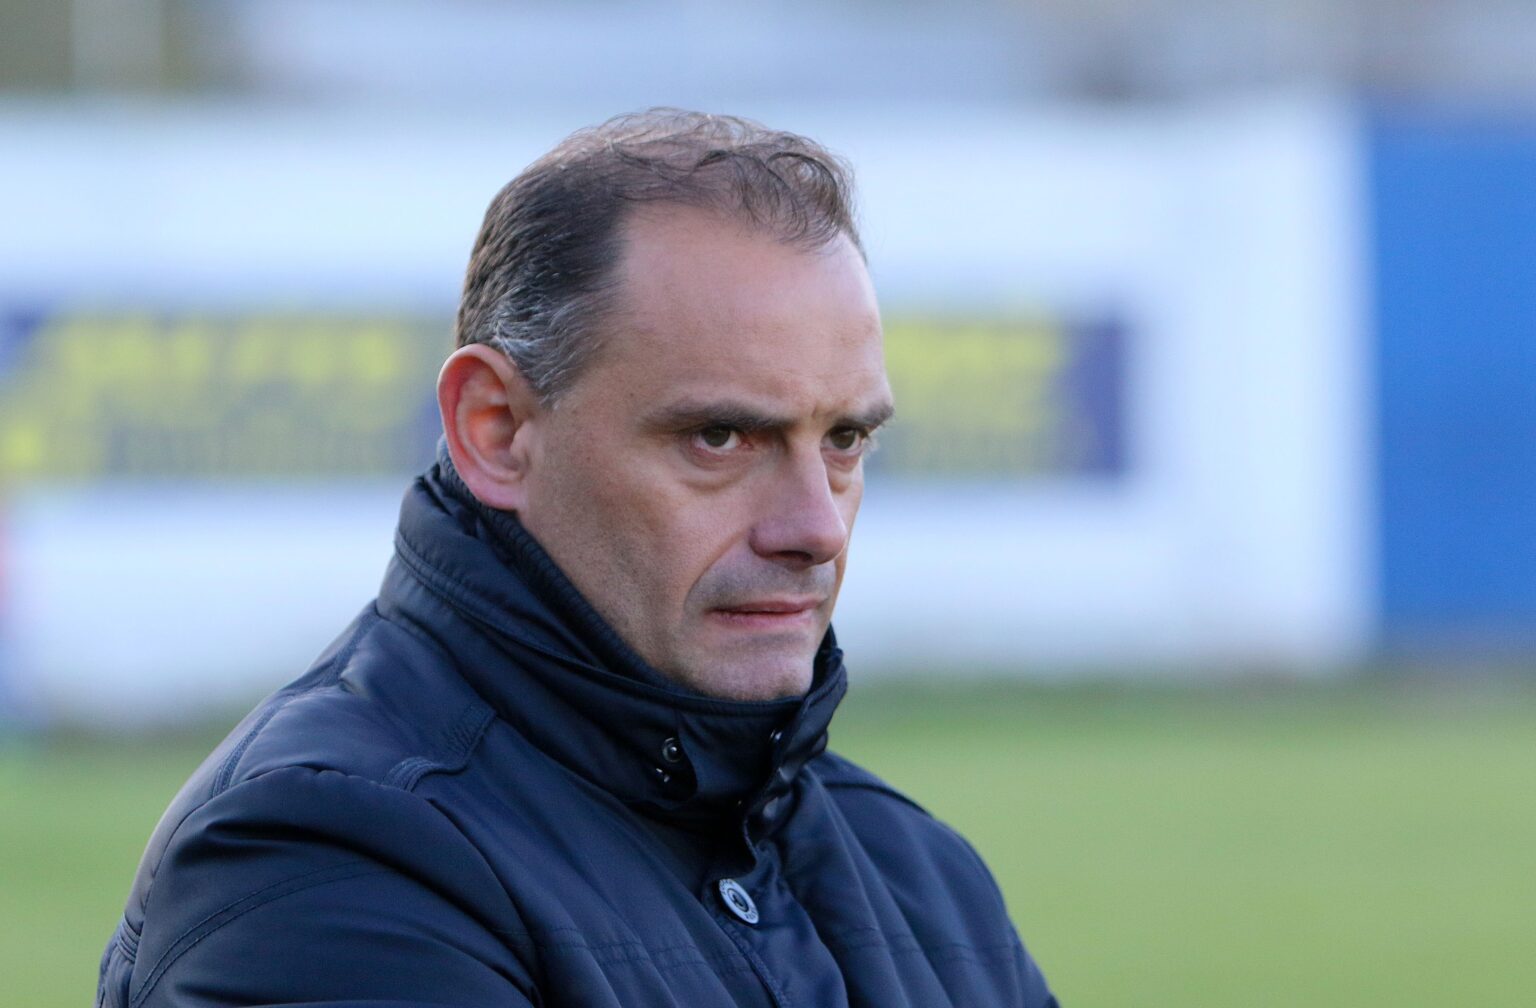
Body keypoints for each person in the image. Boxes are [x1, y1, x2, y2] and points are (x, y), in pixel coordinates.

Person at [98, 109, 1059, 1008]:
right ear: (497, 429)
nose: (817, 528)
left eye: (845, 439)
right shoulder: (324, 863)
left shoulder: (920, 873)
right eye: (720, 438)